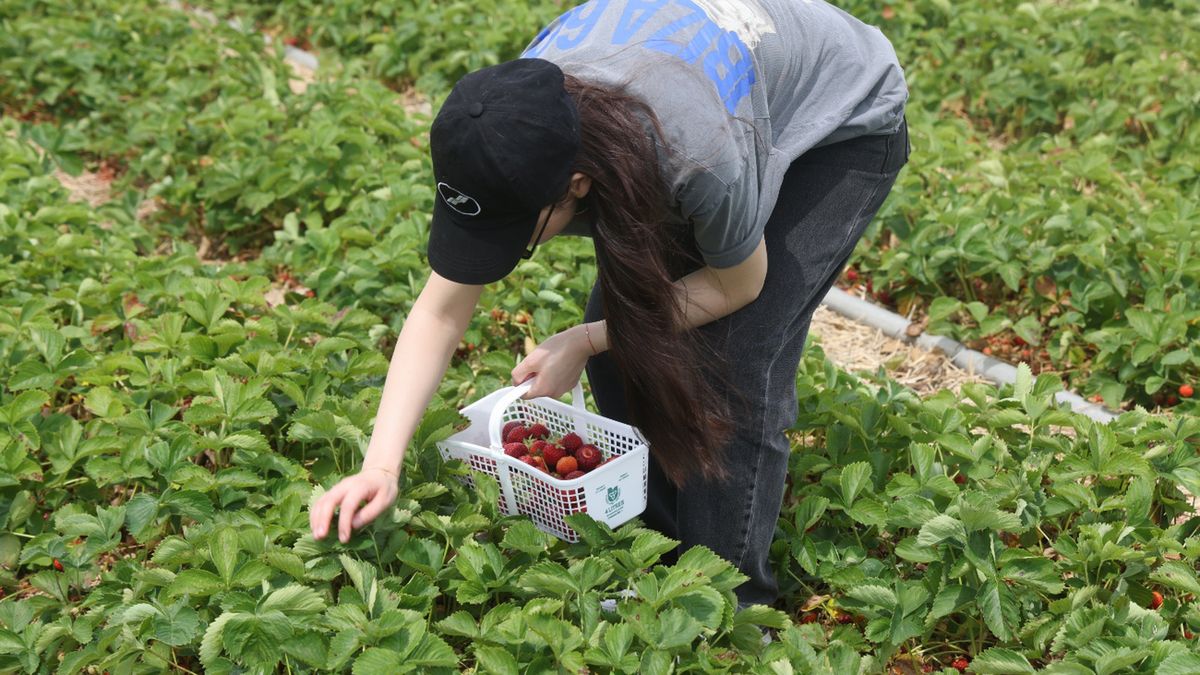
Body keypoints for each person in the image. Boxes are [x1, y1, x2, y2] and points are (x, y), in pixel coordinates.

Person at [310, 0, 909, 610]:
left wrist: (589, 337)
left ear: (577, 186)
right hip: (700, 107)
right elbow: (440, 311)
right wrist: (380, 466)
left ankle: (731, 605)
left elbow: (739, 285)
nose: (502, 246)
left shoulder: (695, 157)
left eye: (515, 231)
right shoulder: (506, 123)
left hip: (839, 119)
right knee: (630, 338)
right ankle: (665, 558)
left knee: (733, 356)